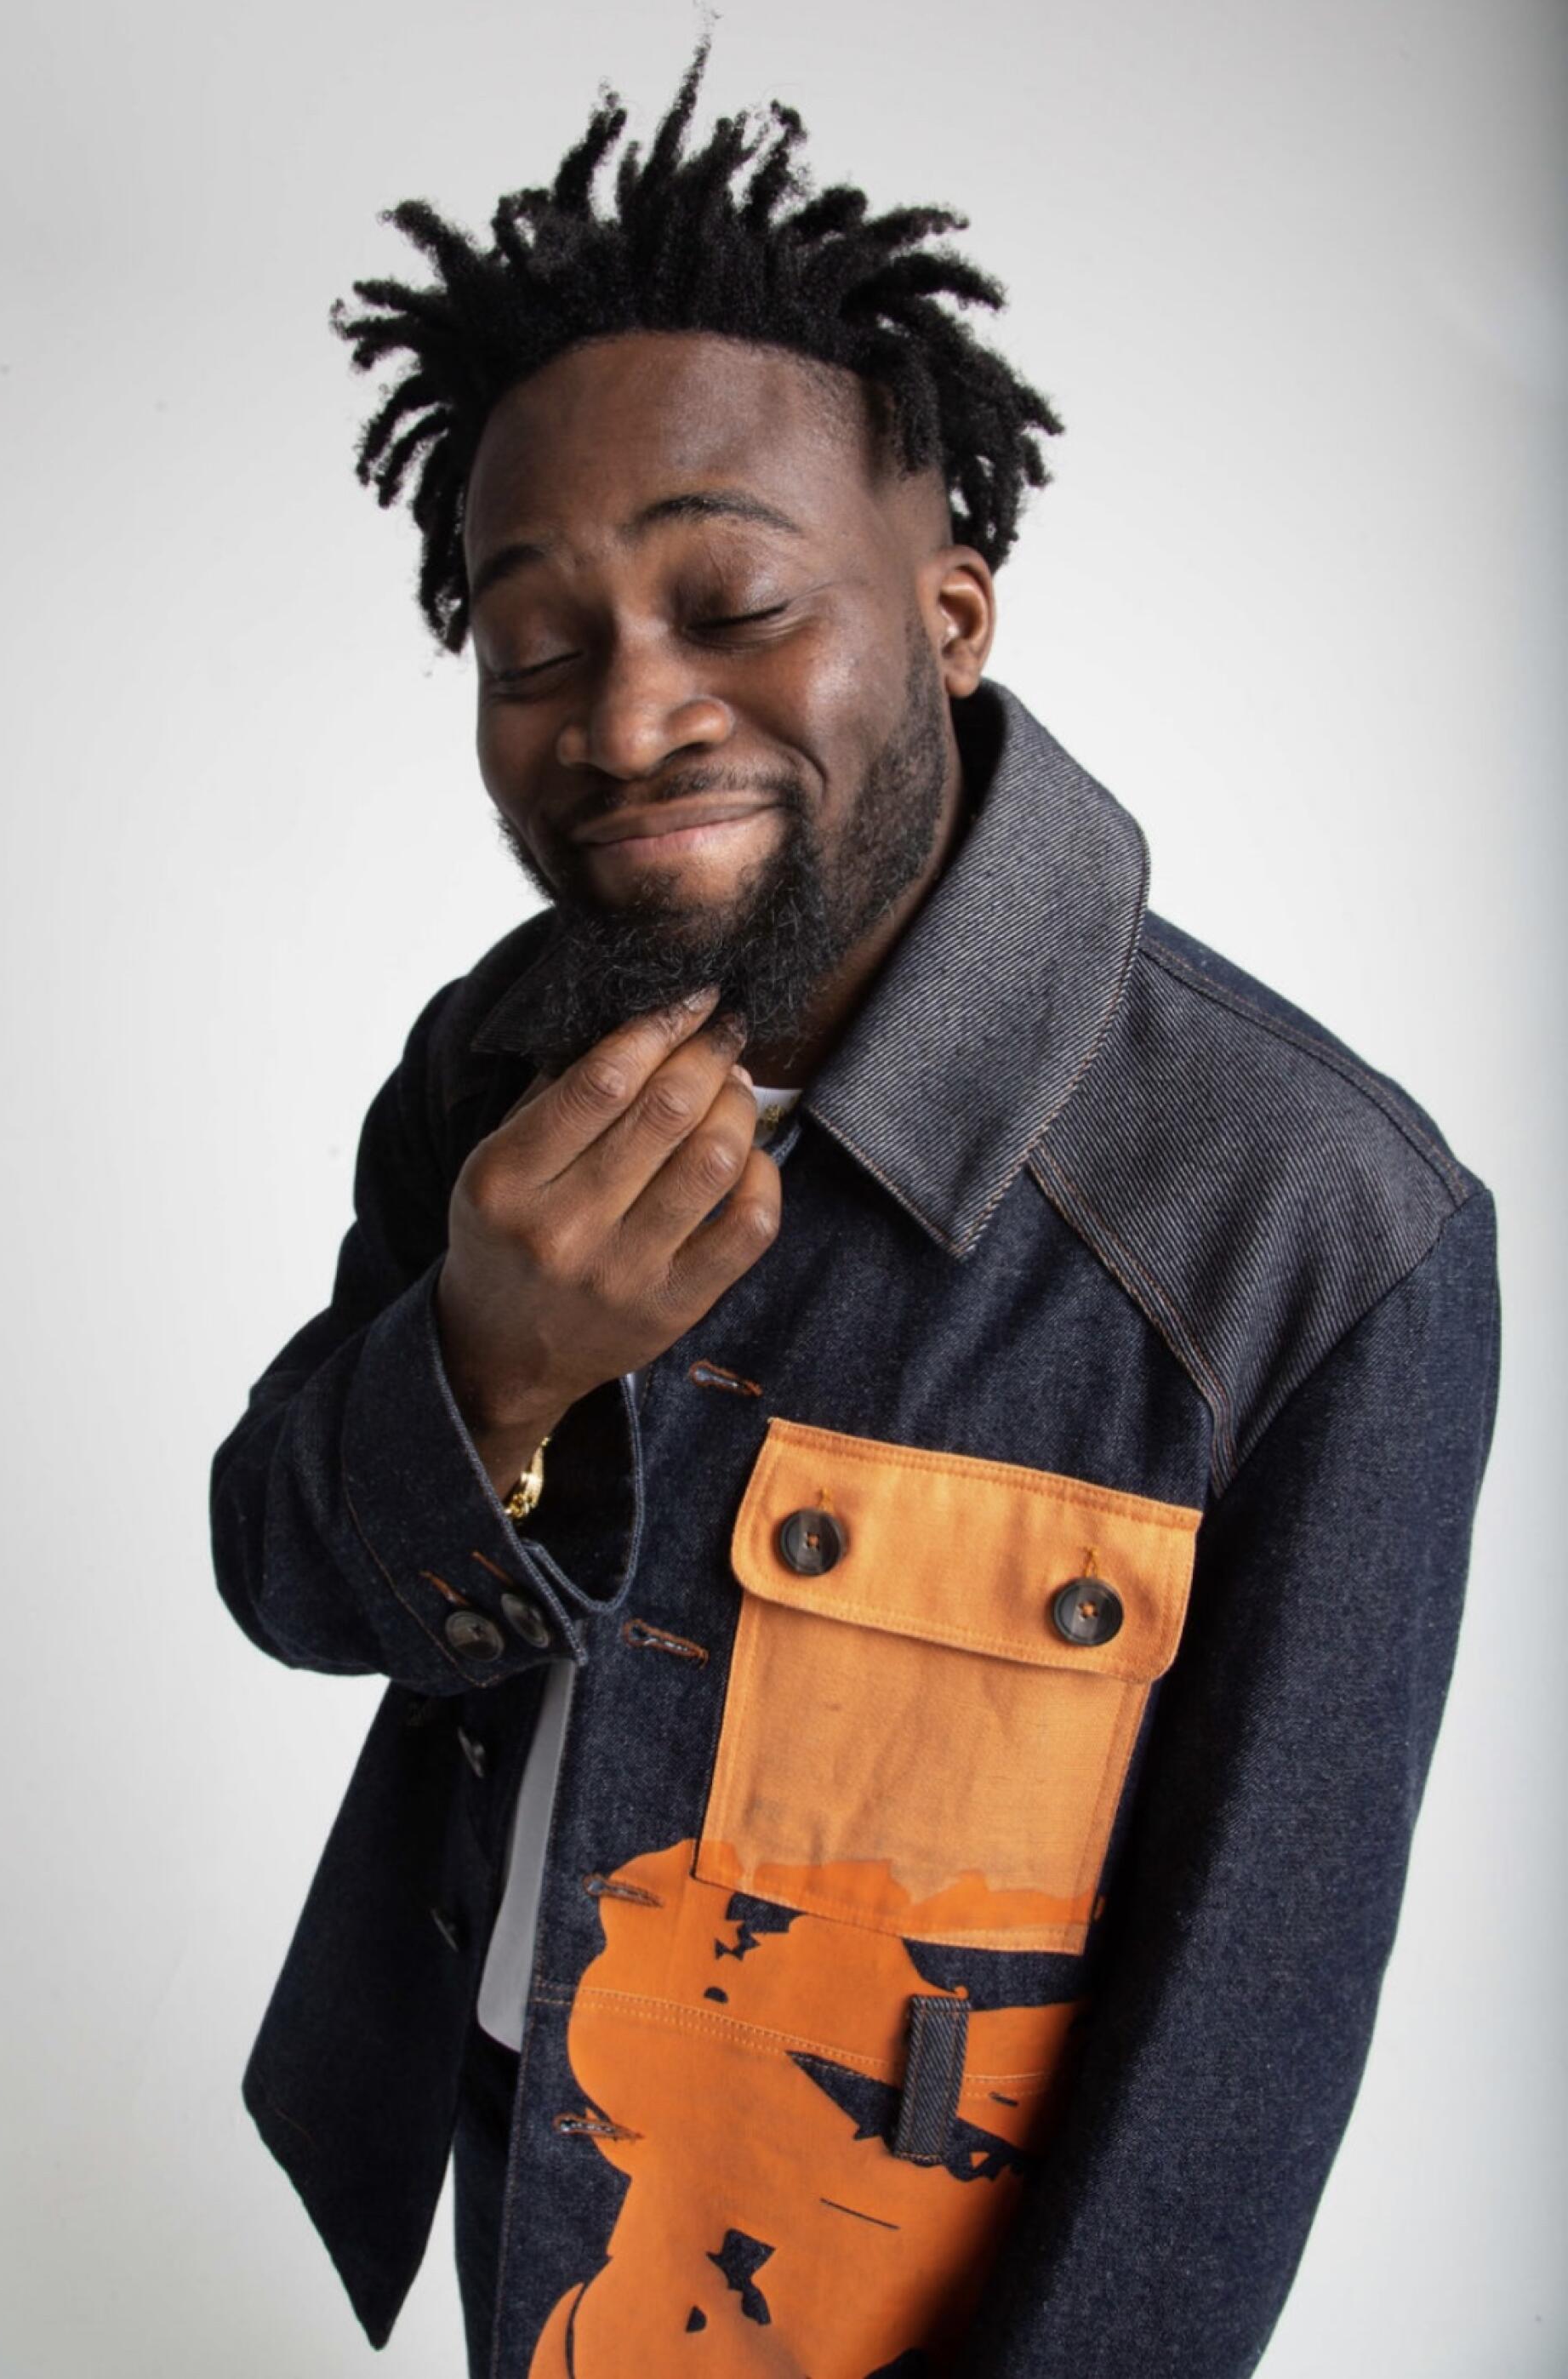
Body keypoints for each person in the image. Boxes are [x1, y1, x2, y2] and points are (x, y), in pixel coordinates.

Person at [208, 43, 1501, 2379]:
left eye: (729, 599)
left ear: (953, 612)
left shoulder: (1317, 1225)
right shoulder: (491, 1056)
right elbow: (290, 1579)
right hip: (522, 2171)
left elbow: (1229, 2088)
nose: (624, 719)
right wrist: (486, 1368)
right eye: (533, 643)